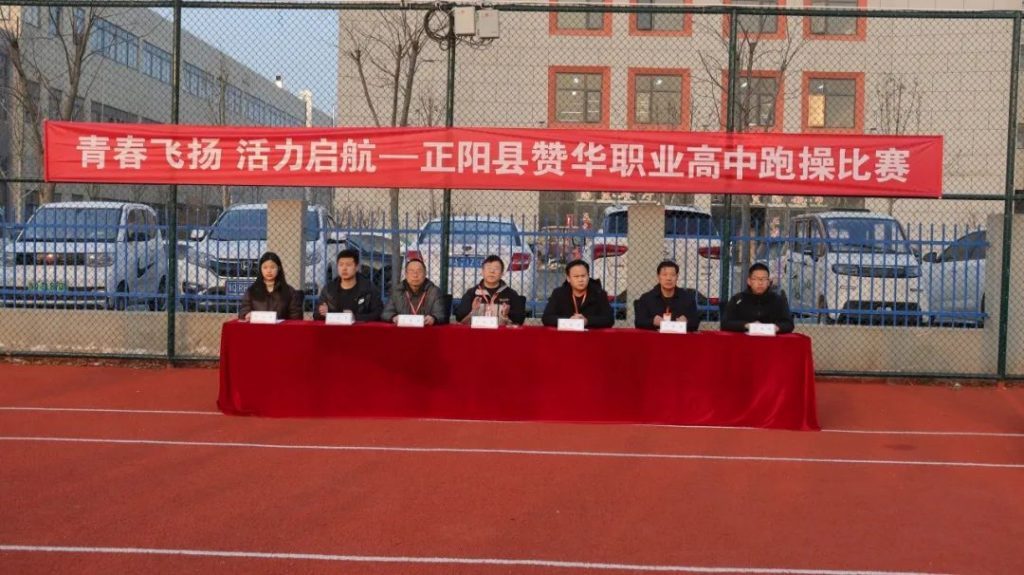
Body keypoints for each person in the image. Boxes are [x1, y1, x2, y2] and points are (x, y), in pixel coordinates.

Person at [721, 262, 794, 334]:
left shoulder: (778, 300)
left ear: (768, 282)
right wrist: (747, 325)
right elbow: (725, 323)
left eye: (764, 279)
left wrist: (776, 327)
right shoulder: (737, 300)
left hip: (772, 340)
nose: (760, 283)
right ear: (749, 281)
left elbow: (789, 324)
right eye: (755, 279)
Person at [454, 255, 526, 326]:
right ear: (482, 272)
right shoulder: (472, 293)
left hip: (501, 333)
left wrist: (506, 314)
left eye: (496, 268)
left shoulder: (511, 294)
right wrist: (473, 310)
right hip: (476, 332)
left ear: (502, 273)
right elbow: (459, 318)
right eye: (488, 268)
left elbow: (519, 321)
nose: (492, 271)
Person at [314, 248, 383, 322]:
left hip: (359, 328)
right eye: (341, 265)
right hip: (335, 328)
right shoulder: (329, 289)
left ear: (357, 267)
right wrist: (322, 313)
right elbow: (316, 315)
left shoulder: (368, 288)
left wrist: (355, 318)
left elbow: (378, 314)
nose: (344, 268)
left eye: (348, 265)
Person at [542, 259, 614, 329]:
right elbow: (546, 318)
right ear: (568, 278)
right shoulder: (558, 293)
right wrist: (568, 321)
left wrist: (587, 321)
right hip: (566, 334)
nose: (580, 280)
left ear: (588, 276)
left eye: (583, 276)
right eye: (576, 276)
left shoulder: (599, 294)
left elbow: (609, 319)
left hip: (590, 335)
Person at [634, 260, 701, 331]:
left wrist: (687, 322)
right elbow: (639, 322)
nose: (668, 278)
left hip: (679, 337)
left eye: (672, 275)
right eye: (664, 275)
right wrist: (653, 321)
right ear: (658, 277)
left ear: (677, 277)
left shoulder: (687, 298)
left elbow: (695, 323)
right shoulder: (646, 298)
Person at [238, 251, 303, 321]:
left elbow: (296, 317)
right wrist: (246, 315)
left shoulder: (289, 291)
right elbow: (243, 312)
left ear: (279, 268)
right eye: (265, 267)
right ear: (260, 269)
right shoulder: (251, 291)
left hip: (281, 327)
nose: (269, 271)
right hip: (257, 327)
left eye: (272, 267)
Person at [381, 258, 447, 325]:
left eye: (419, 271)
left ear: (425, 274)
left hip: (426, 329)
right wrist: (393, 317)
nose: (415, 275)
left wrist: (433, 318)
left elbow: (440, 314)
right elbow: (386, 313)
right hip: (403, 329)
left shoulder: (434, 292)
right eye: (411, 271)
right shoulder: (397, 291)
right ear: (406, 275)